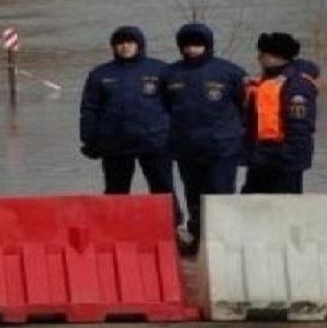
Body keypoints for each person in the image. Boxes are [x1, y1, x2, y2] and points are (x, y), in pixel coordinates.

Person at [80, 27, 181, 220]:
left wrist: (176, 137)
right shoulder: (100, 74)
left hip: (154, 141)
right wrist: (88, 139)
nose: (125, 46)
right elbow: (90, 109)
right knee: (116, 191)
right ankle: (114, 226)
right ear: (114, 47)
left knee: (162, 188)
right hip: (115, 143)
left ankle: (172, 225)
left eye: (130, 42)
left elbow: (176, 106)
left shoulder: (161, 70)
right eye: (120, 43)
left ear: (139, 45)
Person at [162, 22, 246, 255]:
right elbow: (164, 108)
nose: (191, 49)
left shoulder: (230, 72)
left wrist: (239, 140)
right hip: (186, 148)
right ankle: (198, 240)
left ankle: (224, 243)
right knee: (193, 196)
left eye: (197, 45)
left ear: (207, 45)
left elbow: (245, 109)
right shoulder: (170, 74)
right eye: (187, 45)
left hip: (222, 148)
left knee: (220, 195)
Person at [242, 32, 318, 194]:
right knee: (251, 201)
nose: (258, 58)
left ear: (275, 56)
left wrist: (287, 156)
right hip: (261, 157)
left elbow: (300, 126)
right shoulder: (265, 80)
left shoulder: (296, 85)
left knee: (283, 205)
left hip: (283, 160)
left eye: (262, 54)